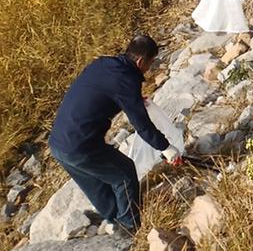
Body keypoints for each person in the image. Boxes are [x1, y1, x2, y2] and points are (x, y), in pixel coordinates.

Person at [48, 35, 180, 234]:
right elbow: (142, 125)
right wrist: (166, 148)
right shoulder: (126, 80)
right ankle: (129, 229)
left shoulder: (104, 63)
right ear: (140, 61)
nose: (149, 68)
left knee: (97, 183)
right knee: (124, 173)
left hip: (58, 143)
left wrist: (131, 100)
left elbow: (99, 91)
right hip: (80, 145)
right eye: (150, 63)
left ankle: (114, 219)